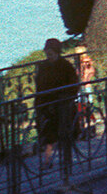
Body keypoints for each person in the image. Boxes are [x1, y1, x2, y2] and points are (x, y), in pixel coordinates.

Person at [33, 37, 80, 167]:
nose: (49, 56)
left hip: (62, 104)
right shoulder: (43, 67)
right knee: (48, 134)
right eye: (47, 53)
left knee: (64, 132)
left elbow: (73, 85)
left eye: (51, 53)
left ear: (57, 52)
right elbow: (39, 86)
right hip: (47, 104)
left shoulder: (65, 66)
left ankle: (66, 160)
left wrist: (66, 99)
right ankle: (47, 161)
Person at [72, 46, 98, 140]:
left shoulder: (85, 62)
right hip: (81, 87)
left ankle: (89, 128)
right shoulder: (79, 63)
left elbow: (88, 72)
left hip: (85, 87)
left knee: (86, 106)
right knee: (80, 107)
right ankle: (84, 129)